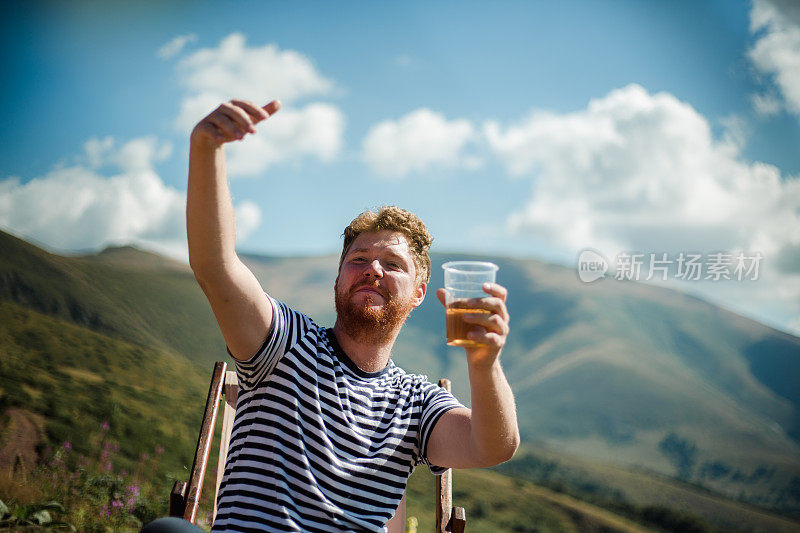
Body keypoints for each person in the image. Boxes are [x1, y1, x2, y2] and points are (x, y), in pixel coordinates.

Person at [148, 99, 519, 532]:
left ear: (420, 293)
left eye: (393, 264)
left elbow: (493, 446)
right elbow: (216, 266)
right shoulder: (282, 344)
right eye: (359, 258)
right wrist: (207, 150)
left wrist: (485, 364)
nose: (373, 269)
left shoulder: (416, 404)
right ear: (340, 276)